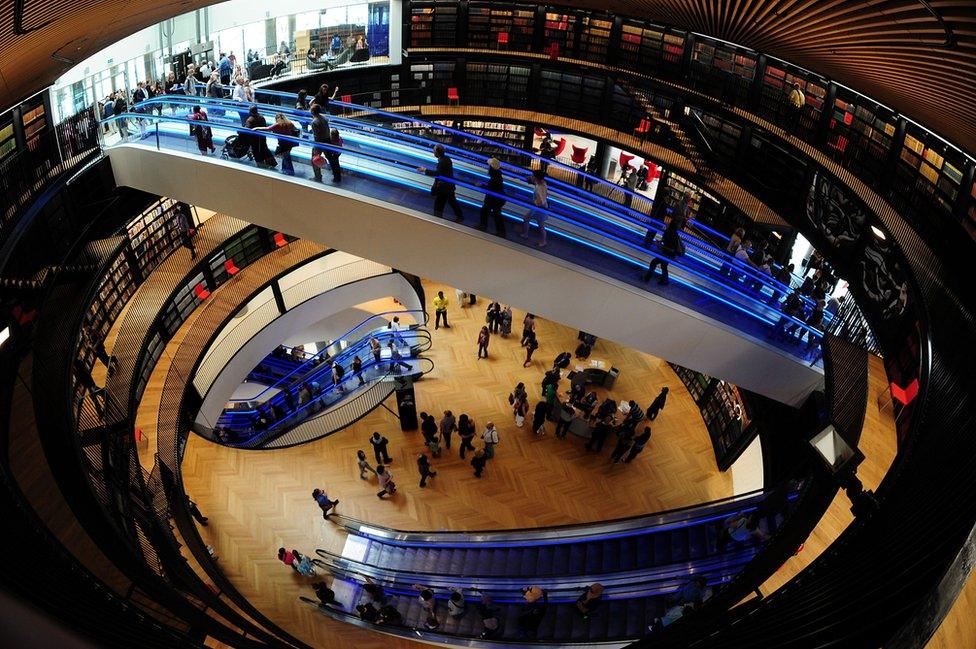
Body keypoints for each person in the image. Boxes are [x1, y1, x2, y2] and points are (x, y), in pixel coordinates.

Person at [642, 203, 687, 285]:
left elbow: (671, 248)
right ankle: (664, 280)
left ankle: (648, 277)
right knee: (663, 265)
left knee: (654, 262)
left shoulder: (671, 235)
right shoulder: (670, 233)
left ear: (671, 226)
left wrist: (661, 246)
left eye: (669, 223)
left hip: (668, 254)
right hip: (668, 254)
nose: (667, 223)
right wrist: (660, 243)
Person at [418, 144, 463, 221]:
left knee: (440, 205)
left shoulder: (442, 162)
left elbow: (437, 173)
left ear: (437, 152)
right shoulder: (447, 159)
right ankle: (459, 216)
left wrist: (424, 170)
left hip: (443, 187)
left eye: (434, 151)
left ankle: (437, 220)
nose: (433, 153)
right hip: (448, 186)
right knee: (451, 202)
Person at [478, 158, 507, 236]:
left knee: (487, 212)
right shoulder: (498, 175)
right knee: (495, 214)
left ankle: (484, 226)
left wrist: (481, 185)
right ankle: (500, 231)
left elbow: (490, 188)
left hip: (493, 199)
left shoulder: (494, 178)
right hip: (497, 199)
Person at [521, 169, 549, 247]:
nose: (531, 177)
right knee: (526, 218)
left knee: (540, 225)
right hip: (537, 208)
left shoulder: (540, 187)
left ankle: (543, 242)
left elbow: (542, 201)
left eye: (533, 176)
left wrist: (535, 202)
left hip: (540, 209)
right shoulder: (541, 182)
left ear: (536, 178)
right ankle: (525, 234)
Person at [309, 104, 330, 182]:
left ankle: (318, 177)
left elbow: (316, 136)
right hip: (327, 140)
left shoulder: (314, 122)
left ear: (313, 112)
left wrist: (316, 147)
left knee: (314, 160)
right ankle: (336, 176)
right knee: (330, 158)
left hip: (319, 142)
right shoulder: (324, 118)